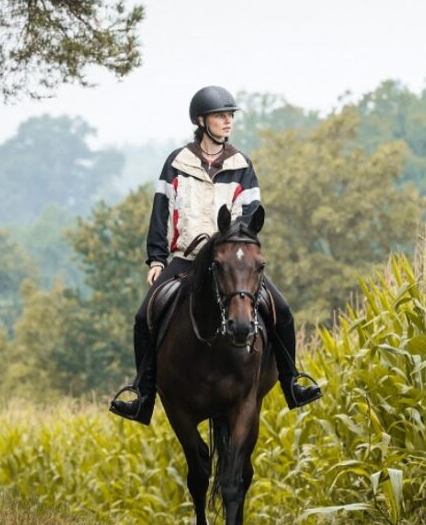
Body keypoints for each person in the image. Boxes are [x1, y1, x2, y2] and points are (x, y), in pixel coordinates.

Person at [109, 85, 323, 425]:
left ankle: (292, 381)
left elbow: (251, 216)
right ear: (201, 120)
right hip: (186, 259)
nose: (228, 121)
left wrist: (236, 246)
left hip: (231, 261)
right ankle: (143, 394)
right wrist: (156, 260)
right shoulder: (177, 163)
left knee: (282, 311)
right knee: (142, 318)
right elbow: (161, 213)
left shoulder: (242, 165)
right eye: (221, 116)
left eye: (230, 116)